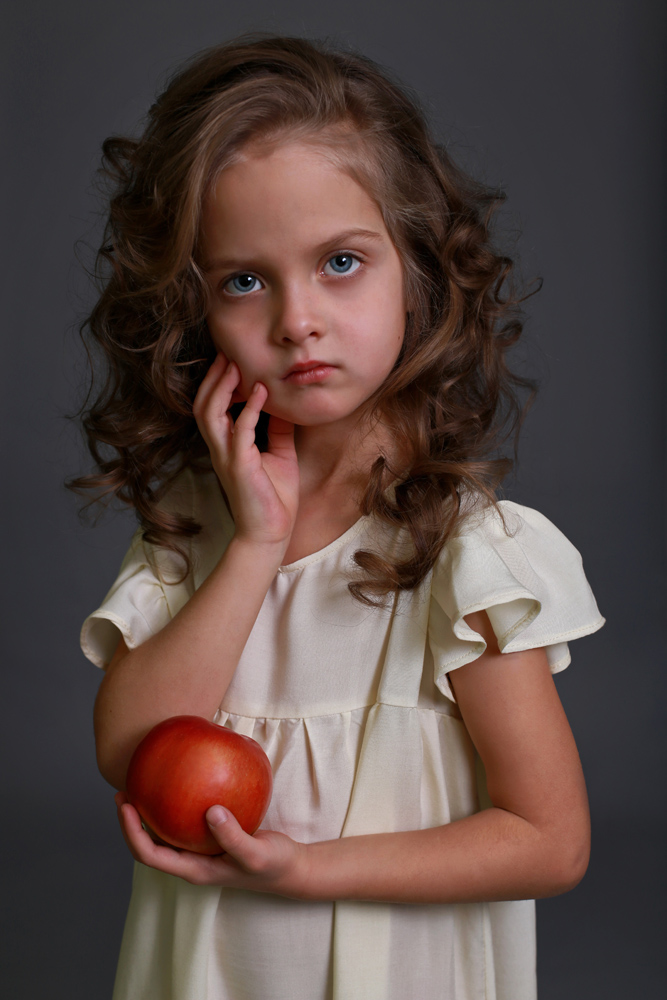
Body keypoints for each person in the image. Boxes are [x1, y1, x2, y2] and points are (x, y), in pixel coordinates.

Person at [72, 34, 605, 1000]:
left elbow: (550, 841)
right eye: (244, 280)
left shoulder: (463, 547)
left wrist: (302, 870)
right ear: (195, 313)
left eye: (341, 262)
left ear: (418, 268)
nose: (296, 319)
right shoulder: (202, 523)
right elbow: (127, 751)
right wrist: (256, 547)